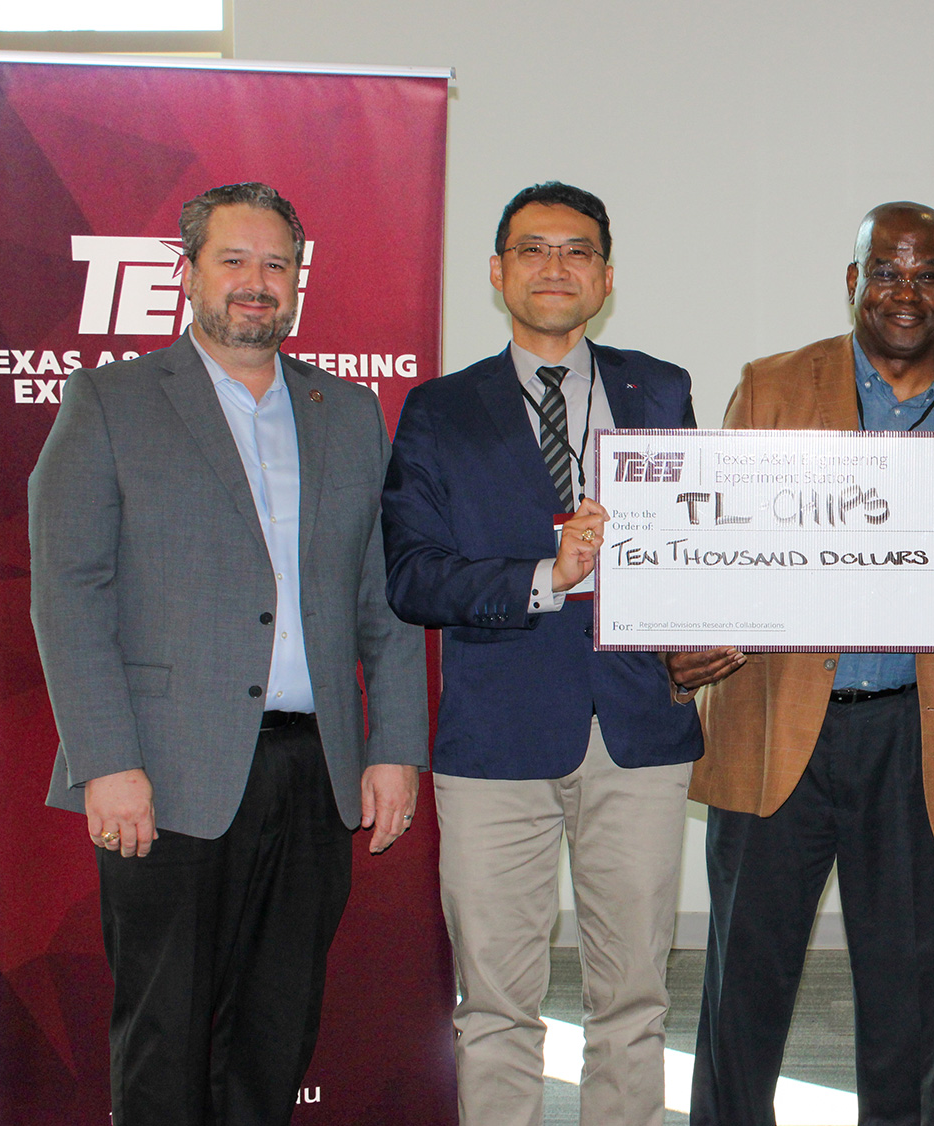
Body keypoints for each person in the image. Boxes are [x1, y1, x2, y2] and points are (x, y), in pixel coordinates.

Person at [29, 182, 428, 1126]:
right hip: (162, 775)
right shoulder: (112, 400)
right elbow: (68, 593)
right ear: (190, 272)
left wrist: (394, 747)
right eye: (234, 261)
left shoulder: (348, 412)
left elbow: (385, 598)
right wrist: (108, 763)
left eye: (276, 265)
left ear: (298, 281)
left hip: (313, 771)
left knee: (276, 1031)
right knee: (164, 1036)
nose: (257, 284)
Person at [678, 202, 934, 1126]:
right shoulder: (768, 389)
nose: (905, 292)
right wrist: (686, 632)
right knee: (742, 997)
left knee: (909, 1008)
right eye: (886, 271)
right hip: (776, 734)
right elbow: (712, 545)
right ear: (853, 283)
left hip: (918, 742)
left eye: (926, 275)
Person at [381, 182, 704, 1126]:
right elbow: (413, 576)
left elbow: (698, 543)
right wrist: (542, 575)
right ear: (497, 272)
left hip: (640, 731)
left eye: (575, 251)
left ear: (605, 278)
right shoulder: (440, 410)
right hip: (496, 743)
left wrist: (715, 617)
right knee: (496, 1005)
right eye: (531, 249)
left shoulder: (664, 388)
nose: (554, 267)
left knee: (635, 1002)